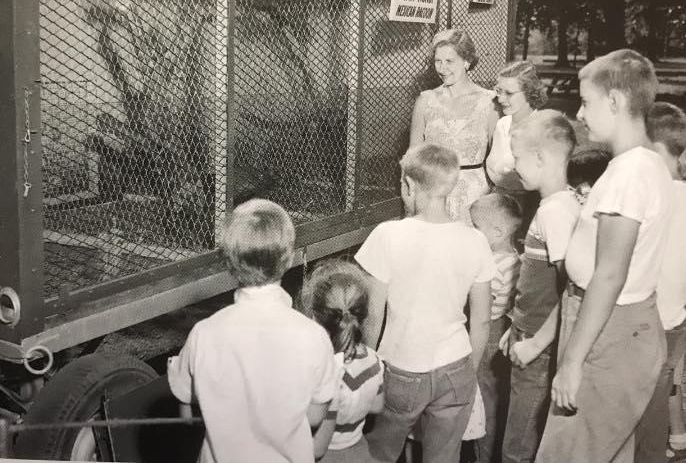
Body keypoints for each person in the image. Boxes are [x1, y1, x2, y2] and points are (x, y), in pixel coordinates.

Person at [535, 49, 674, 463]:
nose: (579, 113)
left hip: (607, 332)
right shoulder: (646, 163)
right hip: (621, 326)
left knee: (564, 455)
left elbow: (610, 274)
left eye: (587, 101)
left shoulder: (629, 175)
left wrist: (574, 361)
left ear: (614, 102)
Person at [167, 199, 339, 463]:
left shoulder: (205, 333)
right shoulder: (313, 336)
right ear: (289, 258)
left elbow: (187, 416)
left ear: (229, 264)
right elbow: (315, 416)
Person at [355, 143, 494, 462]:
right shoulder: (476, 240)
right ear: (452, 185)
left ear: (408, 185)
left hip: (402, 366)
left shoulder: (387, 235)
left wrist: (369, 368)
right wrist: (467, 374)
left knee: (381, 453)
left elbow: (374, 315)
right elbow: (482, 320)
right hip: (456, 364)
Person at [495, 110, 579, 463]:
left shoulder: (554, 212)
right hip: (527, 331)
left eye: (518, 158)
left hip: (538, 344)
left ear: (541, 158)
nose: (515, 167)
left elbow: (573, 289)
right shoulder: (556, 204)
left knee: (518, 445)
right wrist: (514, 325)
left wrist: (535, 343)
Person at [634, 102, 686, 462]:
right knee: (656, 400)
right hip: (673, 319)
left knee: (641, 409)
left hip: (647, 321)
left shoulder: (650, 195)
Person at [409, 29, 499, 223]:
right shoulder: (425, 101)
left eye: (449, 61)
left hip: (474, 196)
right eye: (437, 61)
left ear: (467, 61)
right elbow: (413, 158)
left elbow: (497, 158)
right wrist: (411, 199)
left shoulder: (489, 102)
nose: (442, 69)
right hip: (432, 194)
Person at [302, 259, 385, 463]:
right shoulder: (375, 362)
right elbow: (376, 406)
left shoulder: (323, 372)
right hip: (358, 450)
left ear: (314, 317)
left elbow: (317, 448)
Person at [469, 193, 523, 463]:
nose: (472, 232)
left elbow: (479, 309)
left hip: (487, 333)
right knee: (496, 400)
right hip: (503, 329)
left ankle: (483, 456)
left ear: (498, 231)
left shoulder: (493, 266)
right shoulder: (515, 259)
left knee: (482, 402)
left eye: (476, 227)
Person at [486, 61, 548, 231]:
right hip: (500, 204)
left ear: (529, 92)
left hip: (530, 208)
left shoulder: (543, 128)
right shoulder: (503, 125)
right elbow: (494, 168)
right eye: (499, 91)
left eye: (509, 93)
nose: (501, 98)